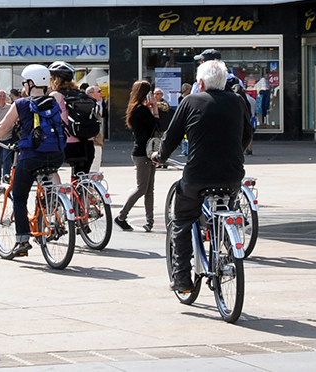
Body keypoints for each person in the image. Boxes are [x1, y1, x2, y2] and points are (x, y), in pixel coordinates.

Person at [152, 59, 251, 294]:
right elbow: (247, 134)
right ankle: (225, 243)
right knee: (227, 206)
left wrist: (160, 156)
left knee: (182, 220)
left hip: (197, 176)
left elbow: (171, 138)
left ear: (200, 83)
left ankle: (183, 280)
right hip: (232, 175)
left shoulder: (190, 101)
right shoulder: (237, 102)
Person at [0, 64, 66, 257]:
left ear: (31, 83)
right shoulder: (53, 101)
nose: (24, 86)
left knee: (19, 196)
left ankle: (22, 241)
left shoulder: (21, 104)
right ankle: (52, 210)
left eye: (25, 83)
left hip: (31, 156)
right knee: (46, 180)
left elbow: (3, 126)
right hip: (56, 155)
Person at [116, 79, 161, 232]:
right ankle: (121, 216)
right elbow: (156, 126)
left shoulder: (139, 108)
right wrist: (154, 109)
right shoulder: (140, 110)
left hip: (147, 151)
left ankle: (150, 221)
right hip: (143, 152)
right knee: (142, 188)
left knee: (149, 189)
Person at [49, 62, 94, 177]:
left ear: (54, 79)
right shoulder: (81, 94)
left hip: (67, 144)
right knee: (81, 179)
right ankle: (82, 194)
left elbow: (48, 118)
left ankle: (56, 193)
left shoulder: (56, 96)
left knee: (48, 167)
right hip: (87, 143)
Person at [87, 85, 105, 172]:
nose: (101, 93)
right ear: (91, 94)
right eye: (99, 91)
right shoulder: (91, 106)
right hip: (94, 142)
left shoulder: (97, 105)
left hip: (97, 141)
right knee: (93, 170)